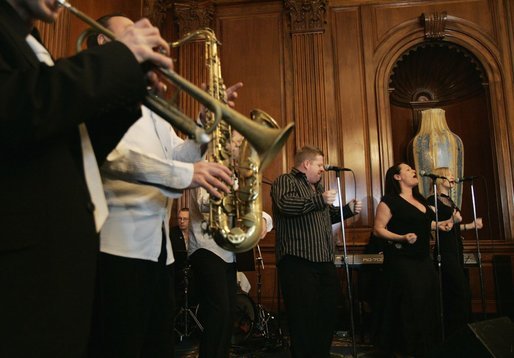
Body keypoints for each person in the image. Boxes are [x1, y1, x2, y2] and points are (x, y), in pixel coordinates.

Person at [0, 1, 175, 356]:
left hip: (61, 264)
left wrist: (129, 93)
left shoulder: (32, 43)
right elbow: (16, 105)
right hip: (23, 274)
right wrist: (116, 61)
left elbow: (73, 148)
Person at [85, 13, 242, 357]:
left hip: (160, 253)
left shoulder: (150, 102)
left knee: (157, 346)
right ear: (102, 40)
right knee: (118, 346)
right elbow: (116, 158)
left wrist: (204, 127)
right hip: (119, 249)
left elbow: (177, 152)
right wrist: (186, 175)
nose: (142, 37)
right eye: (130, 31)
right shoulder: (96, 89)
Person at [271, 145, 362, 358]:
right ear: (306, 164)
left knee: (328, 313)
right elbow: (286, 205)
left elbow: (325, 215)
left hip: (323, 259)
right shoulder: (286, 181)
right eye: (320, 164)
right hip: (298, 260)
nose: (323, 169)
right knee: (302, 317)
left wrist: (347, 210)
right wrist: (319, 200)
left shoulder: (317, 188)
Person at [189, 130, 273, 358]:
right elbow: (205, 202)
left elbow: (251, 206)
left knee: (227, 316)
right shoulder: (204, 163)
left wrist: (264, 220)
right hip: (206, 249)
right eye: (237, 143)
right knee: (219, 312)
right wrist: (238, 194)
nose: (241, 148)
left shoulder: (235, 173)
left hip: (228, 253)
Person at [372, 163, 454, 357]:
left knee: (428, 298)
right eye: (408, 170)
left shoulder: (419, 200)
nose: (414, 171)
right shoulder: (389, 201)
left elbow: (424, 223)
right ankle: (407, 348)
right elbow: (378, 229)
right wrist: (401, 237)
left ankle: (427, 346)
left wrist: (439, 225)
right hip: (402, 259)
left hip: (422, 258)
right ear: (397, 177)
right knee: (411, 302)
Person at [427, 167, 483, 337]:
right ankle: (454, 332)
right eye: (450, 175)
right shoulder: (431, 200)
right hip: (445, 249)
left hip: (456, 247)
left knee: (462, 290)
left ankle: (463, 330)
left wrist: (471, 225)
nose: (453, 177)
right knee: (458, 290)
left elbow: (454, 228)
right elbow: (431, 225)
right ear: (440, 178)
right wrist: (452, 219)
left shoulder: (449, 200)